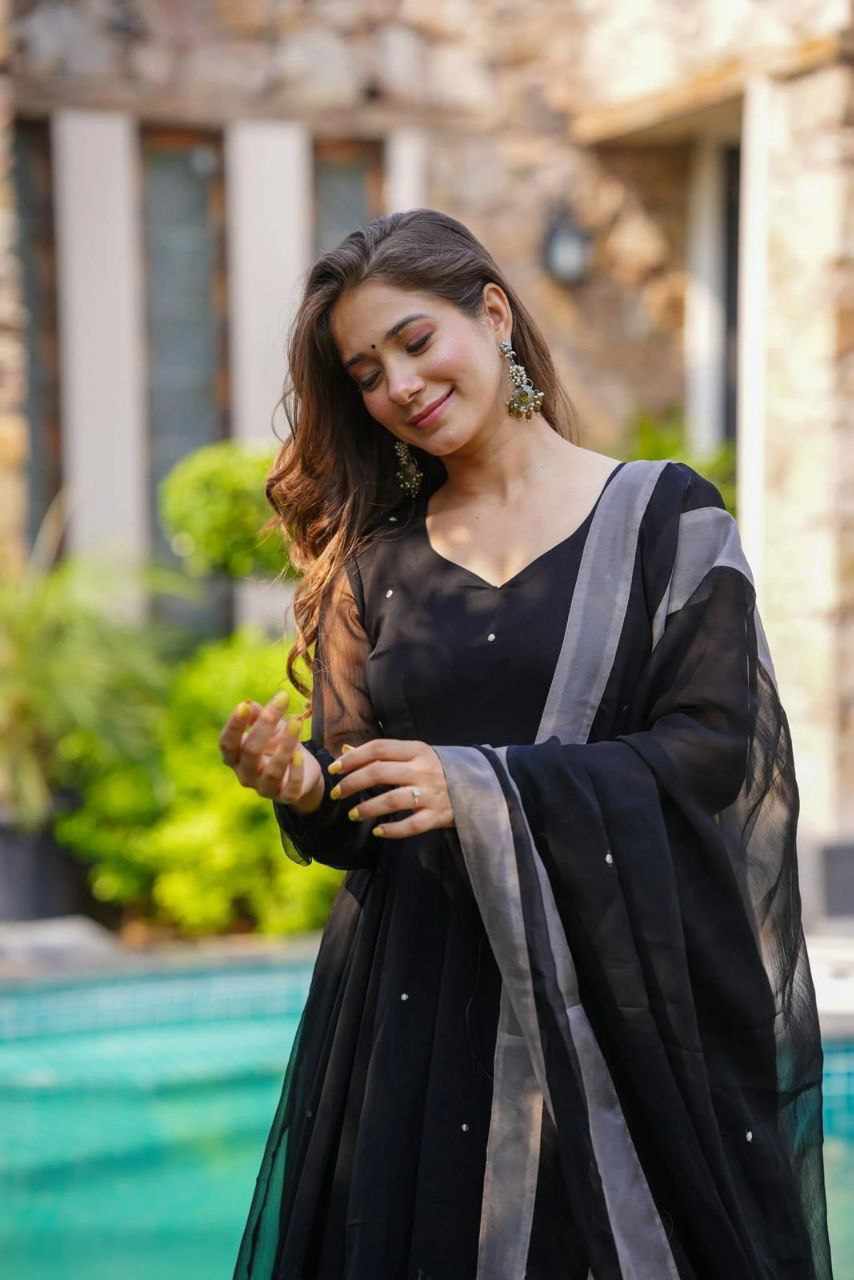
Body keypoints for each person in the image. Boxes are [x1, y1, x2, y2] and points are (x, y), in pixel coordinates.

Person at [222, 209, 833, 1279]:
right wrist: (303, 781)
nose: (399, 385)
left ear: (493, 314)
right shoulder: (376, 569)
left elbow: (713, 749)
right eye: (366, 374)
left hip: (629, 1002)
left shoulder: (664, 517)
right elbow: (362, 809)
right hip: (424, 1017)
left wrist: (475, 784)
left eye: (415, 340)